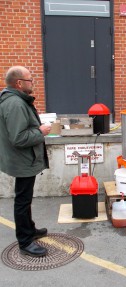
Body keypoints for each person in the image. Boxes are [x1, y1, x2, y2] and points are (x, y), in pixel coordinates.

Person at [0, 66, 51, 257]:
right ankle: (25, 241)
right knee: (22, 201)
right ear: (19, 83)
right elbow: (19, 138)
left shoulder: (16, 100)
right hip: (22, 161)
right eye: (30, 80)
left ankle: (29, 229)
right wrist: (40, 131)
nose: (33, 83)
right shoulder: (15, 104)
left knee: (25, 198)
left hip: (22, 159)